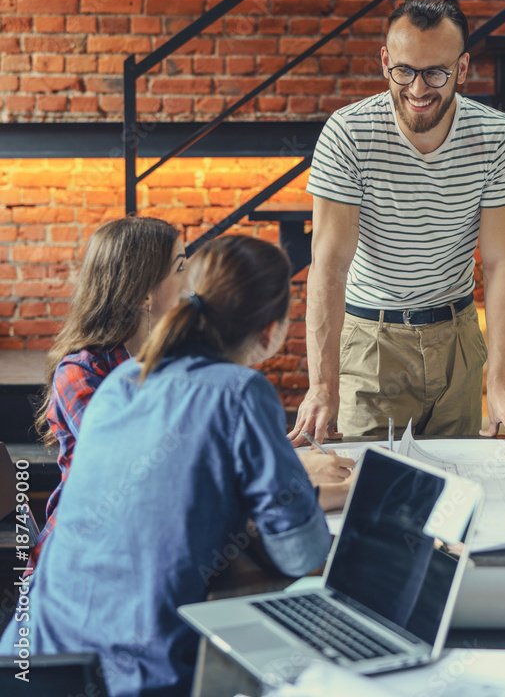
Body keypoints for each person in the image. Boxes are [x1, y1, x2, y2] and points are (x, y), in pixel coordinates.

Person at [0, 235, 337, 697]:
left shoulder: (121, 380)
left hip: (29, 660)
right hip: (130, 677)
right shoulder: (240, 390)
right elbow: (301, 551)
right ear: (270, 331)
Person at [290, 0, 505, 448]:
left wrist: (503, 382)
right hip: (372, 342)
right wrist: (322, 386)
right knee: (370, 490)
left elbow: (501, 262)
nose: (417, 89)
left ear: (463, 69)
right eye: (404, 71)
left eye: (436, 72)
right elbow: (329, 266)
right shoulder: (348, 133)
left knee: (464, 484)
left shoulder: (497, 136)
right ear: (386, 61)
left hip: (459, 341)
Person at [30, 215, 188, 565]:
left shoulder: (173, 360)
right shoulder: (79, 373)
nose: (191, 283)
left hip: (143, 536)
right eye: (180, 268)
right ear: (145, 292)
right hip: (81, 558)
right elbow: (134, 466)